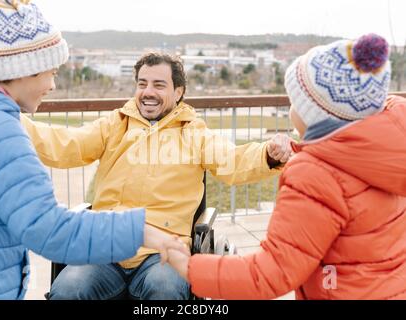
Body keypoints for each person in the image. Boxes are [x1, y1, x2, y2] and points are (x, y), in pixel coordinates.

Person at [0, 0, 188, 300]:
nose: (52, 84)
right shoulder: (1, 133)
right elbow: (48, 230)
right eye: (51, 72)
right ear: (25, 69)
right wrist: (140, 231)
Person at [21, 52, 293, 300]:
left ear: (178, 92)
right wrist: (13, 121)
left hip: (162, 251)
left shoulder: (194, 133)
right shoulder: (116, 125)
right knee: (69, 290)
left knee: (166, 290)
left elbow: (233, 161)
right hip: (107, 245)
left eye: (158, 85)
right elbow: (67, 143)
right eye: (142, 84)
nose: (147, 92)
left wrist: (268, 154)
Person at [167, 33, 406, 300]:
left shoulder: (315, 175)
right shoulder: (385, 155)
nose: (290, 109)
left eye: (295, 102)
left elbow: (272, 273)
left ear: (316, 115)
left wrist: (190, 268)